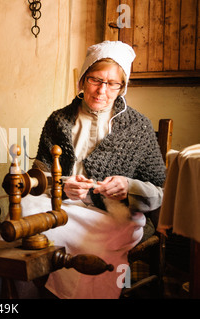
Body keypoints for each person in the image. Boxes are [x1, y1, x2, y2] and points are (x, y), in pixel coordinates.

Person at [21, 41, 167, 299]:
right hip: (63, 207)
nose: (102, 90)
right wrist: (61, 185)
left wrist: (128, 187)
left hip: (114, 217)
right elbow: (38, 177)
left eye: (113, 83)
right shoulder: (59, 120)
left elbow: (161, 192)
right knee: (21, 226)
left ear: (123, 86)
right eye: (95, 80)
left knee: (87, 247)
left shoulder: (138, 127)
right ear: (82, 80)